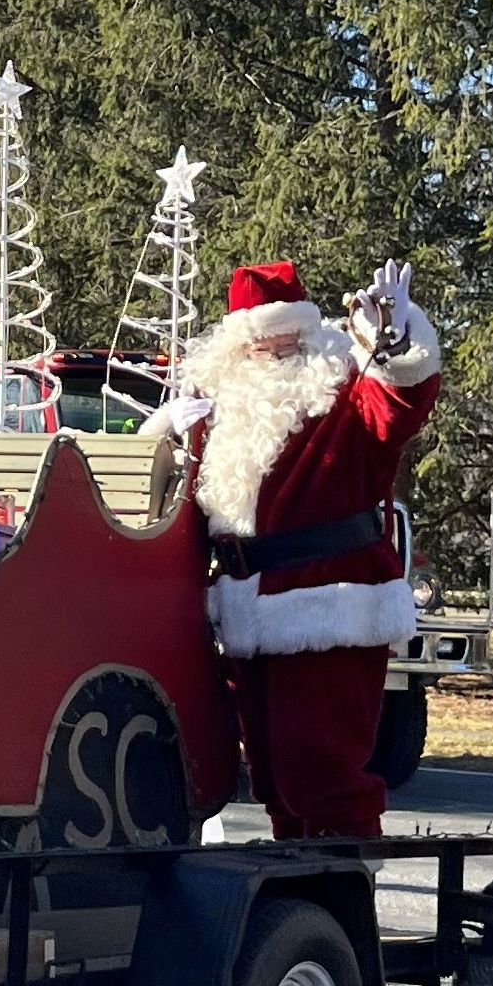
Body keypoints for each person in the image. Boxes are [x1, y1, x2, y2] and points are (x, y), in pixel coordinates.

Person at [144, 258, 440, 839]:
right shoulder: (216, 411)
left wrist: (398, 343)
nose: (276, 352)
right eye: (262, 344)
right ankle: (294, 880)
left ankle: (340, 882)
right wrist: (164, 429)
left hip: (330, 608)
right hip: (246, 611)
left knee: (323, 773)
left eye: (290, 341)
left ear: (311, 336)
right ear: (237, 348)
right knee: (273, 778)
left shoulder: (345, 395)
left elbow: (399, 407)